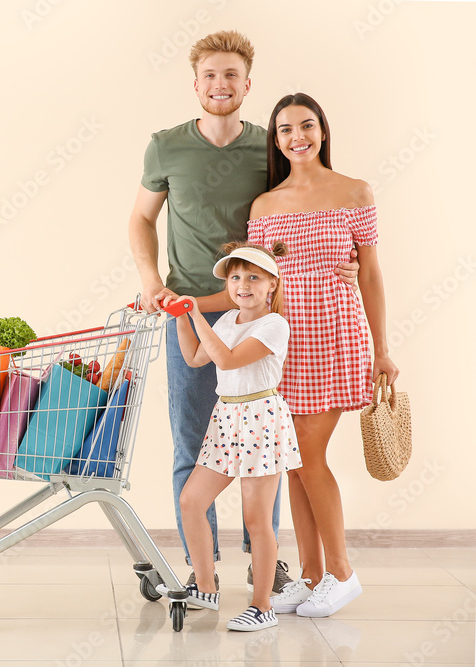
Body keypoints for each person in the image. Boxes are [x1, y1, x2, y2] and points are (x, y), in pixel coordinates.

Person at [128, 30, 358, 591]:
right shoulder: (165, 146)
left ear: (247, 83)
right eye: (210, 74)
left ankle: (267, 561)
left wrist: (340, 263)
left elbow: (296, 214)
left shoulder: (268, 147)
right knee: (191, 442)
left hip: (261, 318)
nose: (220, 84)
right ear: (196, 83)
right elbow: (139, 219)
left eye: (231, 74)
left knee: (264, 445)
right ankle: (199, 567)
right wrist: (152, 282)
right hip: (192, 313)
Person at [247, 92, 399, 618]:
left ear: (323, 130)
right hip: (285, 343)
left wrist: (382, 348)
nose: (297, 137)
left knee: (309, 457)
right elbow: (258, 282)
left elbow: (372, 274)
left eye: (306, 126)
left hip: (335, 336)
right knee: (292, 464)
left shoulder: (354, 191)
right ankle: (311, 576)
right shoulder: (265, 206)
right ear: (276, 140)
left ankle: (342, 572)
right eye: (285, 130)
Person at [158, 241, 302, 632]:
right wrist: (177, 318)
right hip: (227, 418)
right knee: (192, 500)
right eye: (236, 277)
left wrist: (195, 312)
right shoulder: (226, 321)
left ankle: (262, 606)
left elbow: (226, 359)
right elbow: (194, 357)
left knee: (257, 521)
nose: (243, 284)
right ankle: (205, 587)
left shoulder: (274, 324)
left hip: (259, 418)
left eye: (253, 277)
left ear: (272, 284)